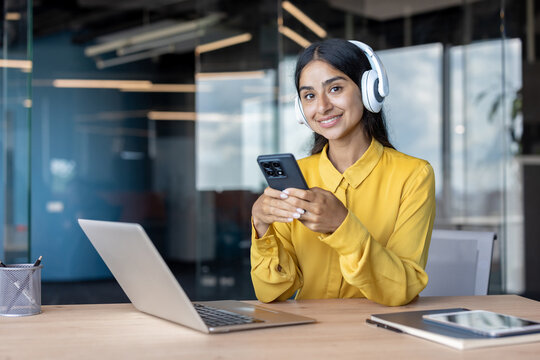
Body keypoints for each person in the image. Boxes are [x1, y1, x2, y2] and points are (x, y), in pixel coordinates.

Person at [250, 38, 436, 306]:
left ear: (368, 89)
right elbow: (271, 292)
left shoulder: (414, 175)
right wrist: (261, 226)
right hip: (307, 335)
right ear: (300, 109)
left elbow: (401, 290)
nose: (322, 106)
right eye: (309, 95)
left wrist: (341, 225)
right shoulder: (298, 177)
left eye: (335, 88)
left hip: (380, 333)